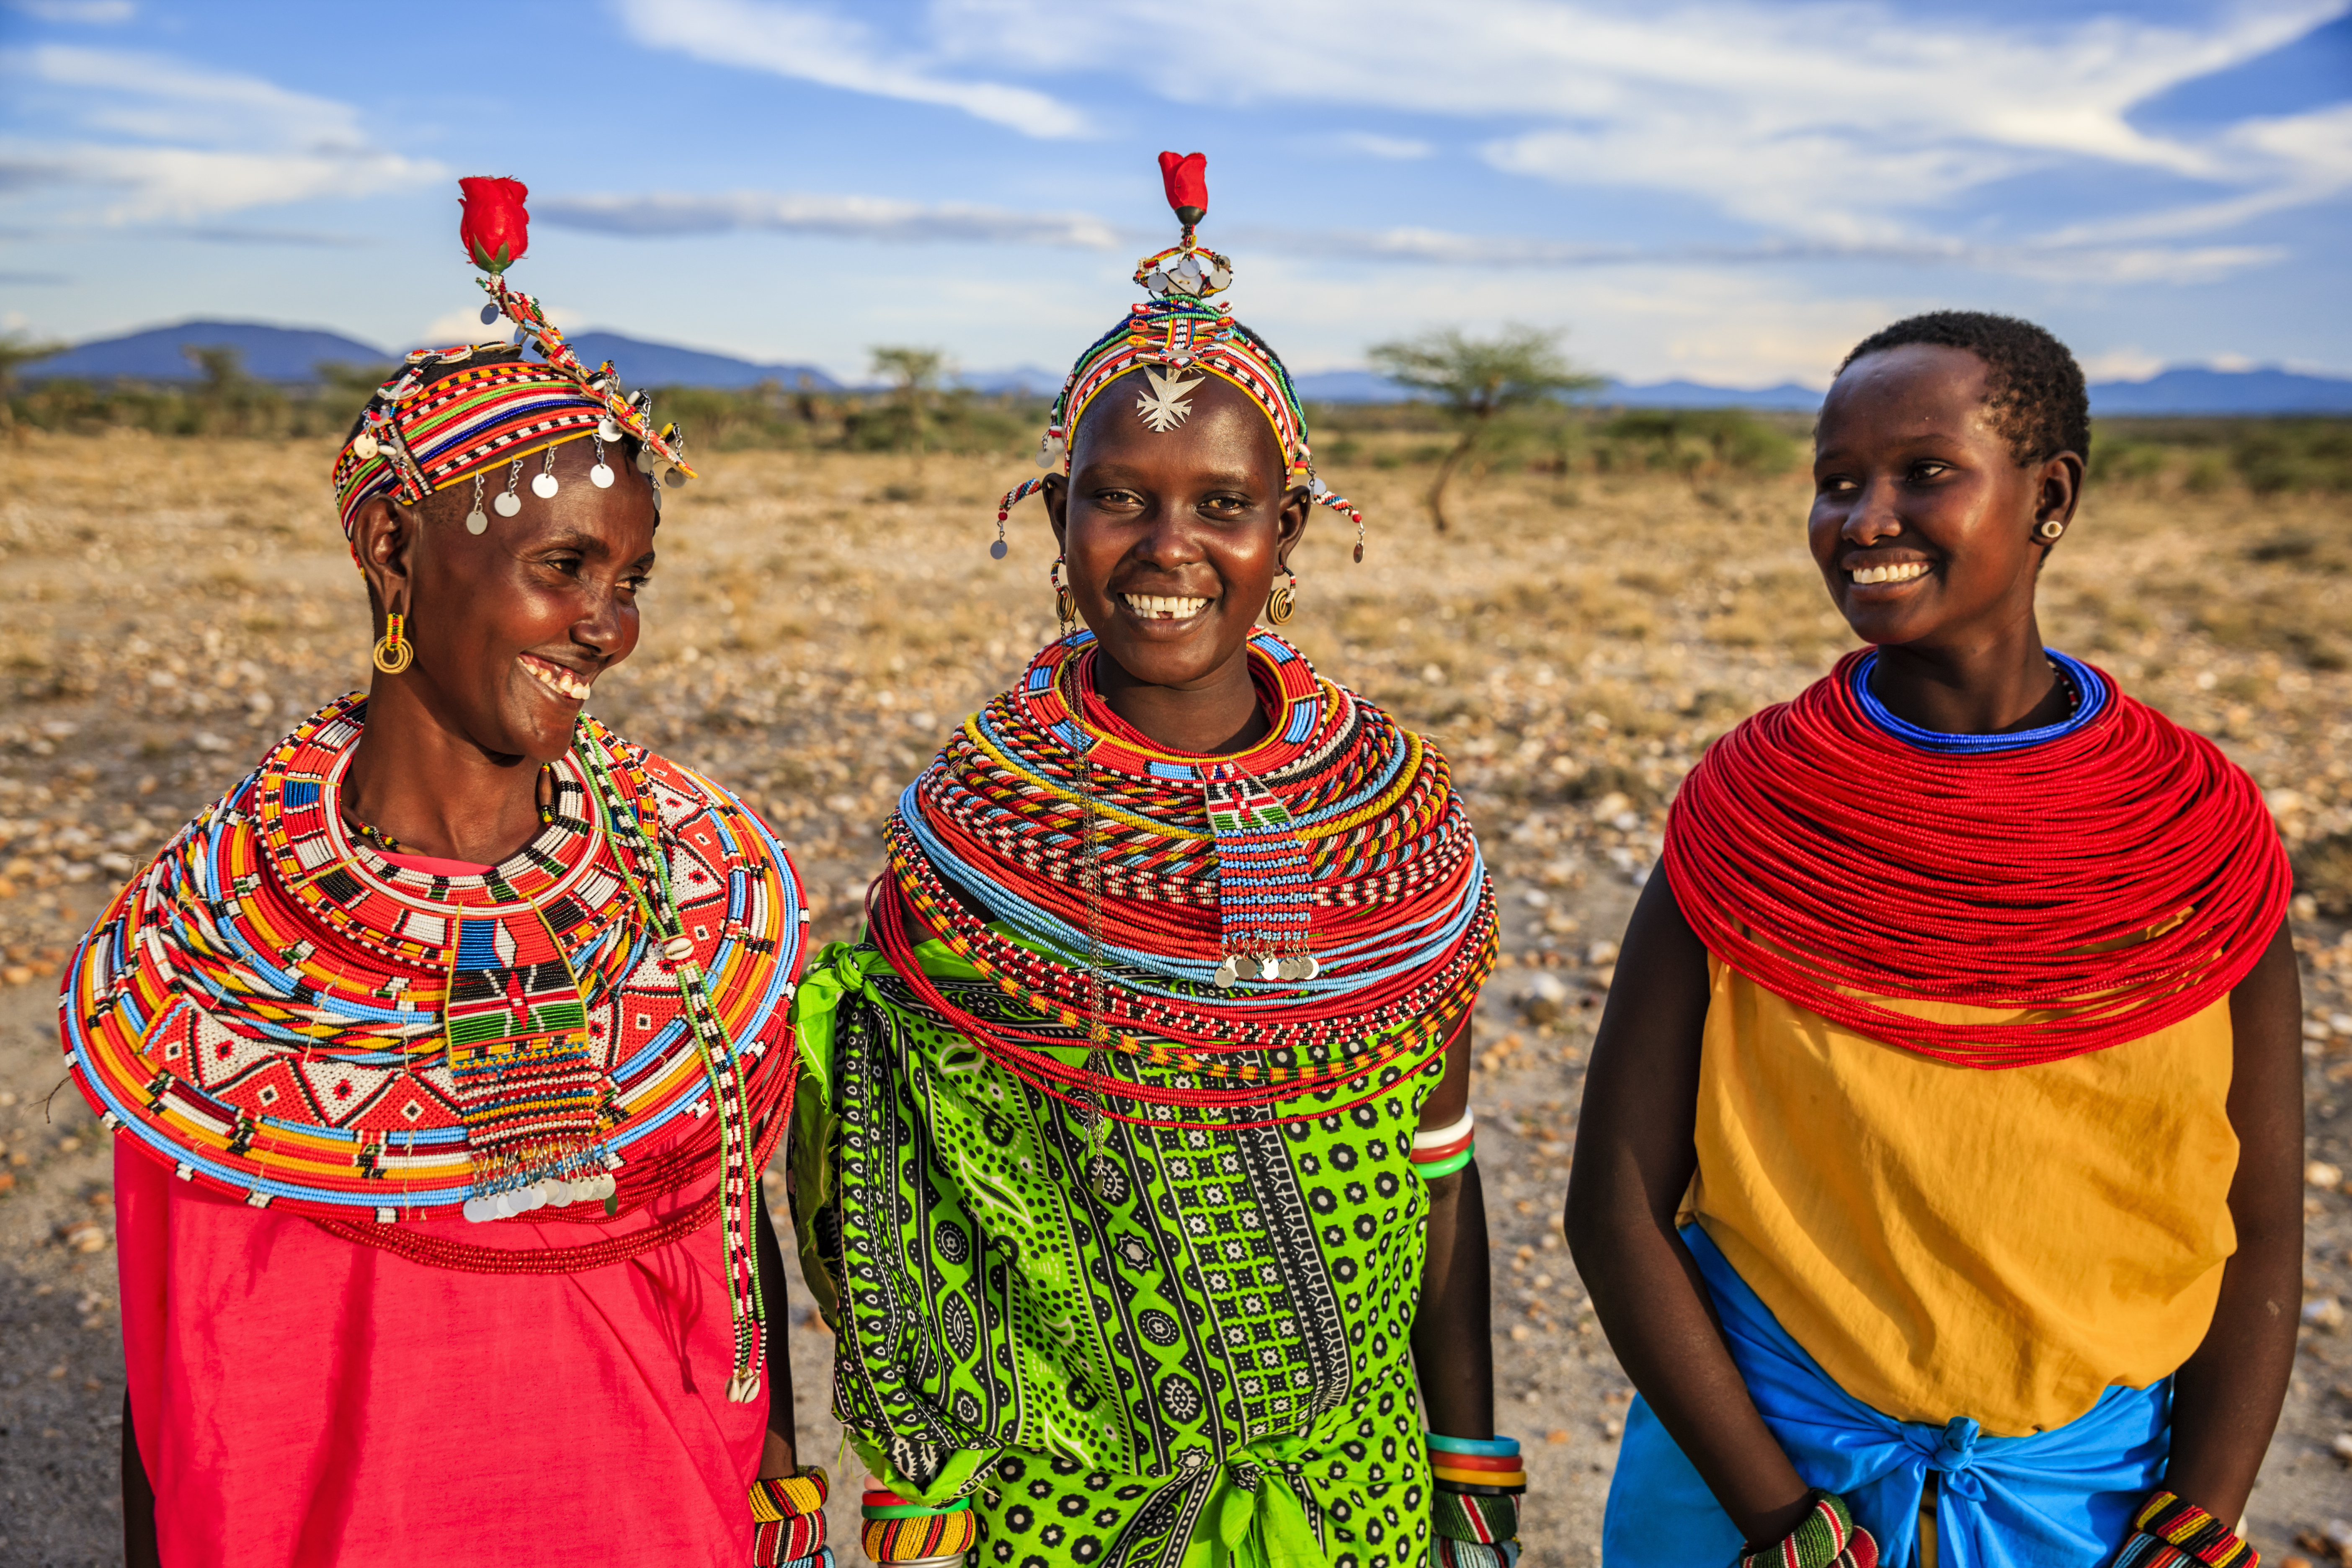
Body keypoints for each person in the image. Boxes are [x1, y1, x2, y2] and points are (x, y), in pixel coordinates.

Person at [63, 178, 833, 1568]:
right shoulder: (209, 958)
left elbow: (734, 1248)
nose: (610, 629)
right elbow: (184, 1377)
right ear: (392, 550)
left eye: (633, 578)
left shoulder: (696, 890)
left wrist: (776, 1493)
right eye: (564, 567)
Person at [785, 152, 1516, 1568]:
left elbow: (1441, 1171)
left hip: (1355, 1496)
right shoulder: (974, 838)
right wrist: (927, 1496)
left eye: (1221, 505)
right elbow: (908, 1197)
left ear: (1285, 531)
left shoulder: (1394, 831)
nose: (1168, 547)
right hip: (1060, 1514)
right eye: (1120, 499)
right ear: (1059, 520)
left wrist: (1469, 1474)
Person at [1565, 311, 2300, 1568]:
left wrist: (2203, 1514)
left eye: (1925, 473)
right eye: (1836, 482)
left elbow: (2262, 1218)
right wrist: (1779, 1521)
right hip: (1760, 1487)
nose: (1864, 520)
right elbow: (1614, 1204)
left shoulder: (2192, 841)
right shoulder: (1755, 814)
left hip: (2091, 1512)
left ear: (2050, 496)